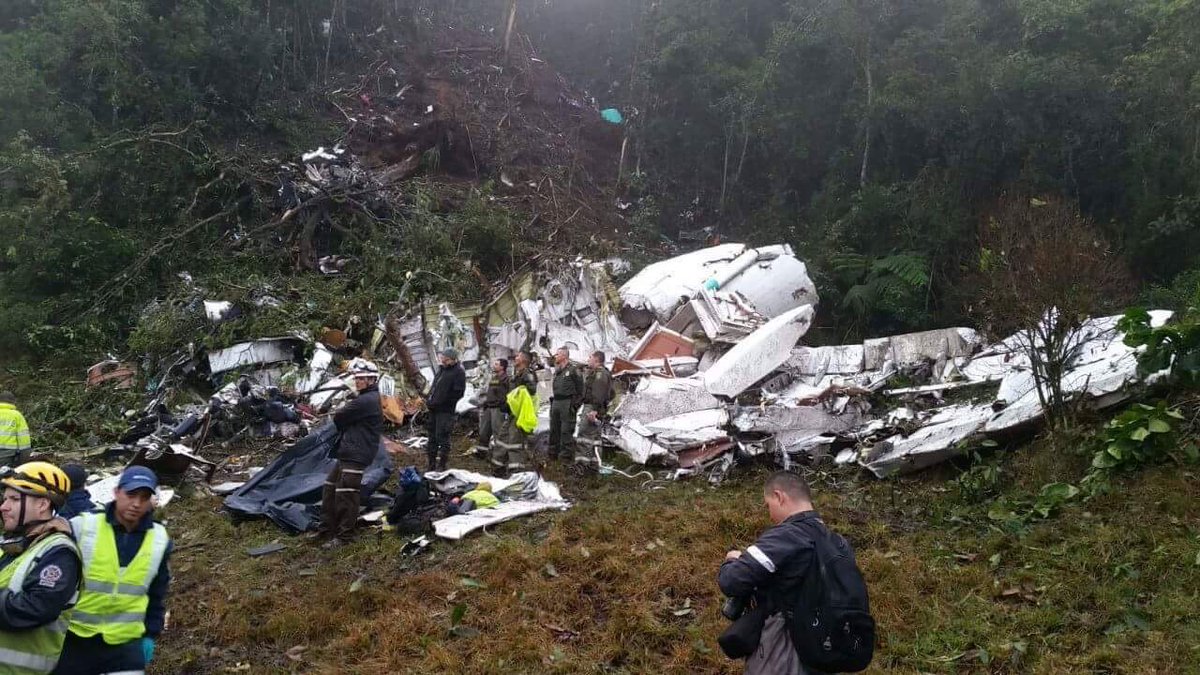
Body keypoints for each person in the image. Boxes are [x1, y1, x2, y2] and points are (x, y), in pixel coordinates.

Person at [56, 466, 171, 675]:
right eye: (131, 494)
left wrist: (150, 634)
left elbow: (157, 592)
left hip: (125, 645)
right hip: (74, 640)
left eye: (144, 497)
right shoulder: (83, 526)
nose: (136, 504)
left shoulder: (160, 539)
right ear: (116, 492)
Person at [718, 471, 823, 675]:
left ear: (779, 496)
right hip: (822, 641)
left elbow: (731, 581)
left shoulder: (787, 535)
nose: (770, 515)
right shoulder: (834, 540)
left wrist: (732, 560)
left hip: (785, 648)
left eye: (768, 506)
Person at [0, 461, 81, 675]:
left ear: (43, 505)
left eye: (14, 499)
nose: (3, 506)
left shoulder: (59, 553)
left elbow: (36, 608)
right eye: (5, 498)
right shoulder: (13, 546)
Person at [319, 358, 382, 547]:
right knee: (330, 487)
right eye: (356, 377)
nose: (358, 381)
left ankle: (345, 536)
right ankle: (326, 529)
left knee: (347, 493)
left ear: (371, 380)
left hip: (357, 452)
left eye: (362, 378)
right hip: (349, 450)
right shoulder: (364, 398)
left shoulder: (366, 400)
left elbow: (339, 417)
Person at [492, 351, 538, 475]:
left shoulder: (527, 374)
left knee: (515, 443)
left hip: (520, 416)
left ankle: (516, 472)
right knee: (502, 439)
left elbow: (531, 391)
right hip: (511, 413)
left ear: (523, 360)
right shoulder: (516, 374)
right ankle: (498, 468)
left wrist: (517, 395)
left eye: (518, 356)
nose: (515, 358)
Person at [425, 349, 466, 472]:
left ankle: (442, 464)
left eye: (446, 359)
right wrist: (430, 399)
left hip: (445, 411)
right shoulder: (442, 370)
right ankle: (431, 464)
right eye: (443, 359)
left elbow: (458, 393)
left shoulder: (459, 372)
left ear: (453, 359)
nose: (443, 361)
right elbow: (434, 387)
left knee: (442, 436)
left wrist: (443, 401)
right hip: (433, 409)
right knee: (431, 437)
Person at [574, 351, 613, 467]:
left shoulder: (600, 374)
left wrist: (594, 411)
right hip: (595, 408)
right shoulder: (598, 373)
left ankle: (582, 465)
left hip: (592, 407)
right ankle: (594, 465)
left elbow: (599, 393)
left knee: (584, 436)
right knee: (595, 438)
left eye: (590, 357)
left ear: (596, 359)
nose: (588, 360)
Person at [548, 347, 583, 462]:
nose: (555, 357)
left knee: (566, 431)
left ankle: (565, 458)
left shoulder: (573, 370)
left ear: (564, 356)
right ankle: (553, 456)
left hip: (567, 402)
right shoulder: (558, 371)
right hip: (556, 402)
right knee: (554, 430)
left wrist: (575, 405)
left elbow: (581, 389)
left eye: (557, 354)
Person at [476, 359, 510, 460]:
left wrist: (504, 405)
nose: (494, 366)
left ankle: (499, 456)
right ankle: (482, 452)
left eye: (496, 364)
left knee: (497, 432)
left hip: (498, 409)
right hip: (489, 407)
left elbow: (507, 394)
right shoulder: (494, 378)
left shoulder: (505, 379)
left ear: (502, 367)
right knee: (484, 431)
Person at [0, 392, 32, 467]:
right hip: (7, 456)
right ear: (13, 402)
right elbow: (24, 440)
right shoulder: (17, 416)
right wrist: (24, 460)